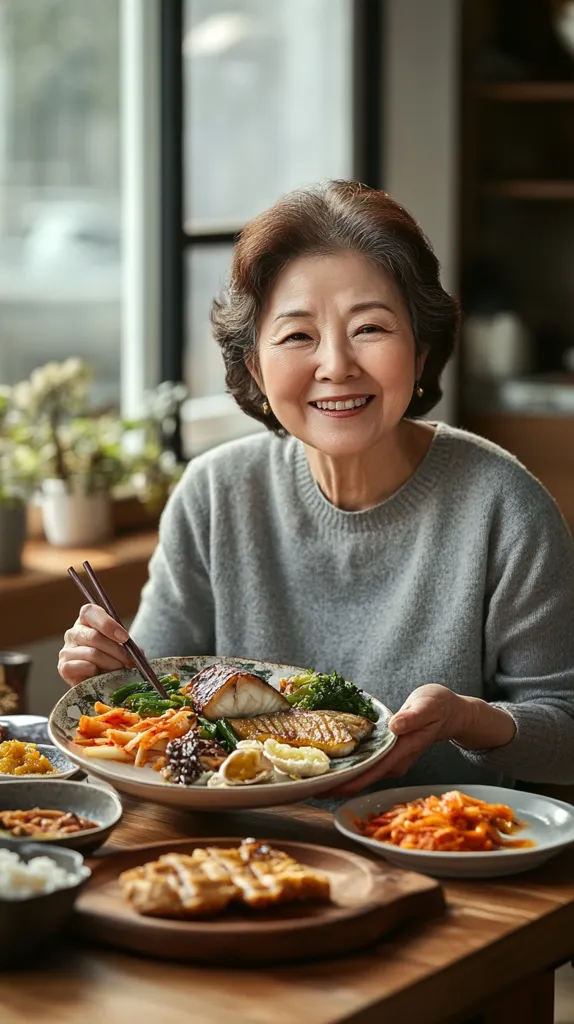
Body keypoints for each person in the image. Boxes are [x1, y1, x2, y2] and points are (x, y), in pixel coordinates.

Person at [58, 180, 574, 796]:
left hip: (434, 851)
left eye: (370, 328)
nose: (336, 365)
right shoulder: (215, 494)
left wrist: (469, 720)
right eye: (298, 335)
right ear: (255, 366)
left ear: (421, 347)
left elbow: (566, 737)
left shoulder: (504, 505)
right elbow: (156, 699)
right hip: (242, 852)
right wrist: (108, 669)